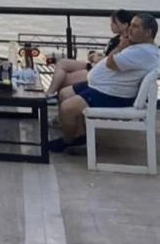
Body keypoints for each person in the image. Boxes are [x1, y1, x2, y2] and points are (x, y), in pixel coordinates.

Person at [49, 12, 160, 154]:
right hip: (104, 87)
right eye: (130, 25)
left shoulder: (142, 52)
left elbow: (111, 63)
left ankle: (68, 141)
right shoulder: (140, 47)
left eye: (135, 26)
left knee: (66, 108)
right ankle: (80, 138)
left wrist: (121, 46)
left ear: (148, 32)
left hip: (112, 93)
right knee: (64, 93)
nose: (130, 29)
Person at [46, 9, 133, 100]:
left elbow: (112, 60)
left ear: (125, 25)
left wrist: (98, 58)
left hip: (100, 71)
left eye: (114, 23)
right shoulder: (117, 38)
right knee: (62, 63)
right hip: (94, 65)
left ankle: (56, 102)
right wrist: (95, 55)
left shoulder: (125, 43)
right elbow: (107, 54)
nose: (111, 25)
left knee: (63, 80)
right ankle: (49, 94)